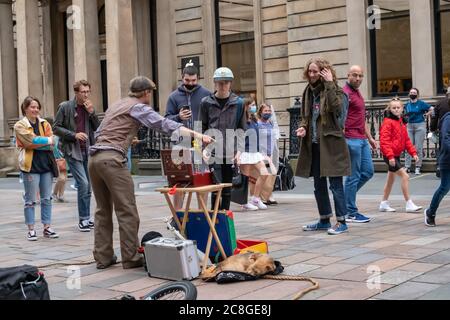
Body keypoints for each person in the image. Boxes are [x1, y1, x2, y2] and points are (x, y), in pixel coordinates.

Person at [88, 76, 214, 269]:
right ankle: (130, 258)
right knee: (127, 211)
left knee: (102, 211)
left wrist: (128, 140)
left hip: (95, 159)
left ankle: (103, 257)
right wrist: (198, 135)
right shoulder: (139, 107)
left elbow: (101, 132)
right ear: (147, 92)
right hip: (112, 161)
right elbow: (164, 125)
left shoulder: (116, 105)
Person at [295, 57, 351, 235]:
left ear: (324, 72)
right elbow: (307, 116)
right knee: (318, 185)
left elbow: (337, 109)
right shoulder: (308, 93)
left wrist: (329, 84)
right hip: (314, 145)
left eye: (315, 71)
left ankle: (342, 221)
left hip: (331, 144)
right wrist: (303, 127)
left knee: (335, 184)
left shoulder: (336, 91)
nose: (311, 75)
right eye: (309, 71)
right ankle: (324, 219)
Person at [53, 80, 100, 232]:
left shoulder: (89, 108)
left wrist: (92, 112)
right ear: (76, 92)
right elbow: (56, 128)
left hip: (87, 150)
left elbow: (97, 128)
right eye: (83, 92)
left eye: (87, 91)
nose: (86, 94)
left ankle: (86, 218)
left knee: (88, 187)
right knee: (84, 184)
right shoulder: (65, 107)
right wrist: (74, 135)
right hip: (72, 150)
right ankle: (83, 219)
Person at [165, 63, 211, 209]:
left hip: (199, 143)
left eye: (193, 81)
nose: (190, 84)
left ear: (198, 78)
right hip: (181, 143)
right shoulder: (173, 97)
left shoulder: (206, 94)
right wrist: (178, 117)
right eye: (187, 80)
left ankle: (202, 214)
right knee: (179, 181)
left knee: (201, 180)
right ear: (182, 78)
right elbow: (166, 121)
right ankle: (177, 216)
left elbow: (212, 119)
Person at [200, 67, 247, 210]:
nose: (223, 85)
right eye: (220, 82)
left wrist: (239, 152)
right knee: (215, 187)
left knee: (227, 188)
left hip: (230, 152)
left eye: (226, 82)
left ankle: (225, 216)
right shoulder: (206, 102)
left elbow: (241, 129)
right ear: (215, 83)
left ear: (230, 83)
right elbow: (200, 128)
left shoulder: (238, 103)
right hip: (212, 151)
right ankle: (215, 217)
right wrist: (202, 149)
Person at [14, 96, 59, 241]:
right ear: (25, 108)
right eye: (32, 107)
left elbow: (53, 144)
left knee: (47, 198)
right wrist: (44, 141)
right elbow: (29, 142)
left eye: (37, 107)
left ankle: (47, 227)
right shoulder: (19, 125)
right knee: (30, 200)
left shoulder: (45, 123)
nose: (35, 110)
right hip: (30, 165)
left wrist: (37, 142)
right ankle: (31, 229)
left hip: (46, 165)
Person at [343, 66, 376, 224]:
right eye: (355, 75)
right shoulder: (345, 93)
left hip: (361, 138)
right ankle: (350, 212)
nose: (358, 78)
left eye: (360, 76)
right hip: (351, 138)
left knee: (368, 172)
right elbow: (339, 117)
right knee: (353, 176)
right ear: (348, 75)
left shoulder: (357, 93)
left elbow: (361, 119)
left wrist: (370, 138)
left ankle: (343, 199)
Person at [379, 98, 422, 213]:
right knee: (405, 176)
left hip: (395, 155)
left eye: (398, 107)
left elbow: (406, 140)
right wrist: (390, 157)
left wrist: (413, 153)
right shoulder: (388, 122)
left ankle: (384, 203)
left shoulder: (401, 122)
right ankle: (409, 203)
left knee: (390, 180)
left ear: (402, 108)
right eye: (394, 108)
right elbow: (384, 141)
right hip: (390, 156)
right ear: (390, 109)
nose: (396, 109)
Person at [239, 99, 269, 211]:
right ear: (246, 107)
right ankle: (244, 202)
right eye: (252, 105)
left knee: (265, 173)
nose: (254, 106)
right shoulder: (241, 120)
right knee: (245, 179)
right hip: (245, 152)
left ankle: (255, 198)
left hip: (255, 152)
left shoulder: (254, 119)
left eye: (254, 105)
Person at [424, 111, 450, 227]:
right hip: (447, 159)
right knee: (444, 187)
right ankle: (430, 213)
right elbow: (445, 138)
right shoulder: (448, 119)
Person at [404, 88, 431, 175]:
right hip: (409, 125)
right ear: (409, 94)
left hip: (420, 125)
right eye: (411, 92)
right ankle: (407, 166)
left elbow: (432, 109)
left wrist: (426, 114)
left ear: (417, 94)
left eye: (414, 93)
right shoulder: (407, 104)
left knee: (418, 147)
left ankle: (417, 167)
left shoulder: (421, 103)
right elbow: (402, 112)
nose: (412, 94)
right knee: (408, 146)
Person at [255, 103, 278, 205]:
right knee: (271, 172)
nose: (268, 113)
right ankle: (263, 197)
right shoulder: (257, 124)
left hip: (270, 153)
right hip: (262, 154)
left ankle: (267, 195)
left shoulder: (270, 123)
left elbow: (273, 138)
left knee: (269, 174)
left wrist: (271, 153)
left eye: (269, 111)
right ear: (260, 112)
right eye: (265, 111)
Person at [45, 118, 67, 202]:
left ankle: (61, 195)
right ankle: (54, 194)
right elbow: (53, 148)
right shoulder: (51, 137)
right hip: (56, 159)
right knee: (61, 178)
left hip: (63, 158)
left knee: (64, 178)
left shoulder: (59, 135)